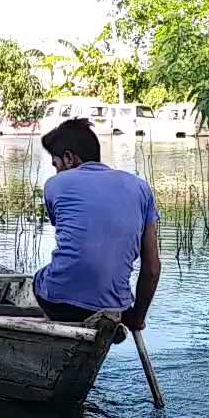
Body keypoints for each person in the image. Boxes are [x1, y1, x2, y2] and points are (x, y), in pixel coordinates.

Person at [33, 118, 161, 332]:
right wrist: (137, 318)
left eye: (56, 165)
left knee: (37, 280)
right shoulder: (140, 187)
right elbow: (152, 268)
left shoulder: (55, 185)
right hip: (115, 306)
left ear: (68, 158)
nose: (55, 172)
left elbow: (75, 245)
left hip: (61, 304)